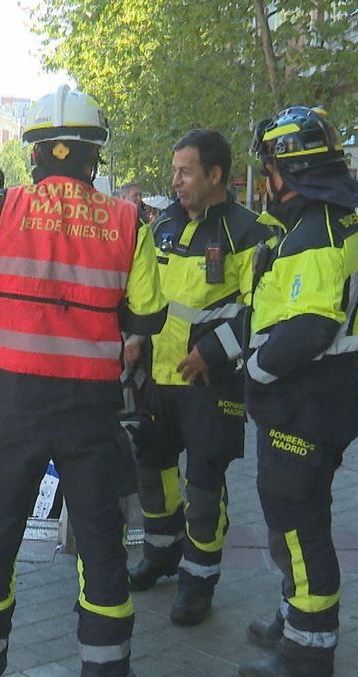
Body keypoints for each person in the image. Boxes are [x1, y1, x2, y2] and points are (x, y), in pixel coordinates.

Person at [0, 86, 166, 677]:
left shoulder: (0, 210)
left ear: (34, 156)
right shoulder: (126, 222)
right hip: (90, 409)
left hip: (13, 404)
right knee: (100, 544)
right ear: (93, 157)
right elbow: (150, 314)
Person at [238, 105, 358, 677]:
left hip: (307, 398)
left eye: (268, 166)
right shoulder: (335, 220)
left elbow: (309, 329)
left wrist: (256, 374)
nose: (265, 179)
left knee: (299, 526)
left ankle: (307, 657)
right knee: (299, 520)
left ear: (286, 170)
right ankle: (298, 617)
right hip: (327, 393)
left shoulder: (316, 232)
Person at [126, 130, 271, 627]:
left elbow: (264, 312)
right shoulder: (160, 224)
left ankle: (198, 580)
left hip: (212, 384)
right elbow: (143, 293)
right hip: (157, 379)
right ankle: (161, 554)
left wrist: (213, 350)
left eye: (186, 172)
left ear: (216, 176)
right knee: (153, 469)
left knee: (204, 484)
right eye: (174, 171)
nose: (176, 181)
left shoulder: (250, 232)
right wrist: (135, 337)